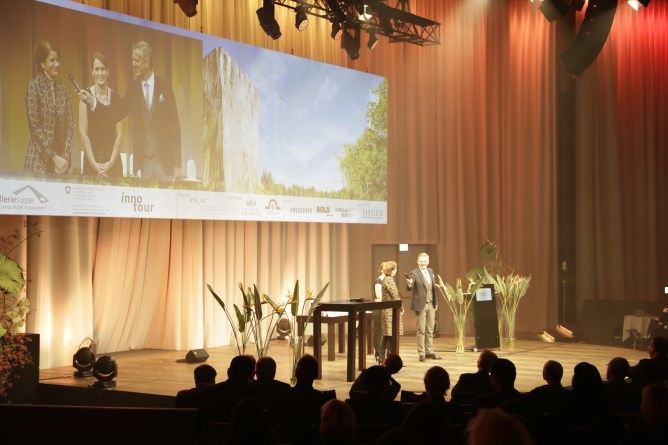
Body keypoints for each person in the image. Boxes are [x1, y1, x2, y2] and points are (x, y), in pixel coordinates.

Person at [80, 40, 181, 181]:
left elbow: (175, 127)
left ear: (147, 62)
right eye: (132, 60)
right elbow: (115, 114)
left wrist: (177, 163)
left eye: (136, 60)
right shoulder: (133, 88)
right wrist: (94, 103)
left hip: (165, 163)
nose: (133, 64)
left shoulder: (165, 87)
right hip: (144, 165)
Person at [24, 40, 74, 175]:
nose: (57, 64)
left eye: (58, 60)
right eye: (52, 60)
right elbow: (35, 128)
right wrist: (53, 157)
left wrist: (65, 158)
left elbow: (70, 126)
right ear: (42, 63)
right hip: (39, 163)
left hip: (61, 166)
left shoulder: (63, 91)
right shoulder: (34, 87)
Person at [79, 52, 123, 177]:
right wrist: (94, 165)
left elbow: (119, 135)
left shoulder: (117, 99)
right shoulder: (85, 98)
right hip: (92, 164)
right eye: (97, 69)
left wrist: (110, 164)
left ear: (108, 71)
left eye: (103, 69)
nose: (100, 73)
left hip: (112, 163)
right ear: (92, 72)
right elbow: (83, 133)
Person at [407, 252, 439, 362]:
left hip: (431, 304)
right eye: (421, 261)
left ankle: (429, 352)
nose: (423, 263)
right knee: (421, 330)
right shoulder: (414, 273)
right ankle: (421, 354)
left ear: (428, 262)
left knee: (430, 329)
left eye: (425, 261)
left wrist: (436, 302)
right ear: (417, 262)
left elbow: (433, 288)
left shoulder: (430, 271)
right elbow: (411, 284)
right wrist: (409, 283)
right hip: (420, 305)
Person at [379, 261, 404, 361]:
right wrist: (401, 307)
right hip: (390, 311)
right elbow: (395, 295)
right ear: (392, 270)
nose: (396, 270)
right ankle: (391, 359)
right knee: (390, 335)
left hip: (389, 309)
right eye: (395, 268)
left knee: (387, 334)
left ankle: (383, 357)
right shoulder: (389, 279)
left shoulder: (387, 279)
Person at [373, 262, 386, 364]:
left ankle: (384, 354)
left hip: (386, 308)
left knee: (385, 332)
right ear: (381, 270)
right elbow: (379, 296)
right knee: (379, 331)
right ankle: (378, 352)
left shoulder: (388, 280)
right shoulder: (379, 280)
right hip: (379, 308)